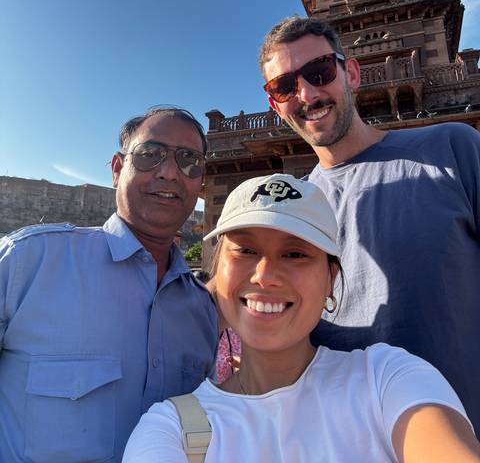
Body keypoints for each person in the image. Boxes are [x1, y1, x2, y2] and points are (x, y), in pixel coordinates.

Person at [122, 174, 480, 462]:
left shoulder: (388, 379)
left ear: (331, 279)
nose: (265, 275)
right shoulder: (170, 428)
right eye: (245, 250)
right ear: (217, 268)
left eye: (295, 253)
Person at [259, 15, 480, 434]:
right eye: (285, 86)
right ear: (275, 103)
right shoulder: (293, 210)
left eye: (320, 71)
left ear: (352, 73)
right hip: (344, 440)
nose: (307, 93)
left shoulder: (452, 150)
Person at [0, 106, 218, 463]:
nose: (169, 172)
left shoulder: (203, 311)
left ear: (201, 183)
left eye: (188, 160)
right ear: (118, 169)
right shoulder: (28, 264)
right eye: (150, 155)